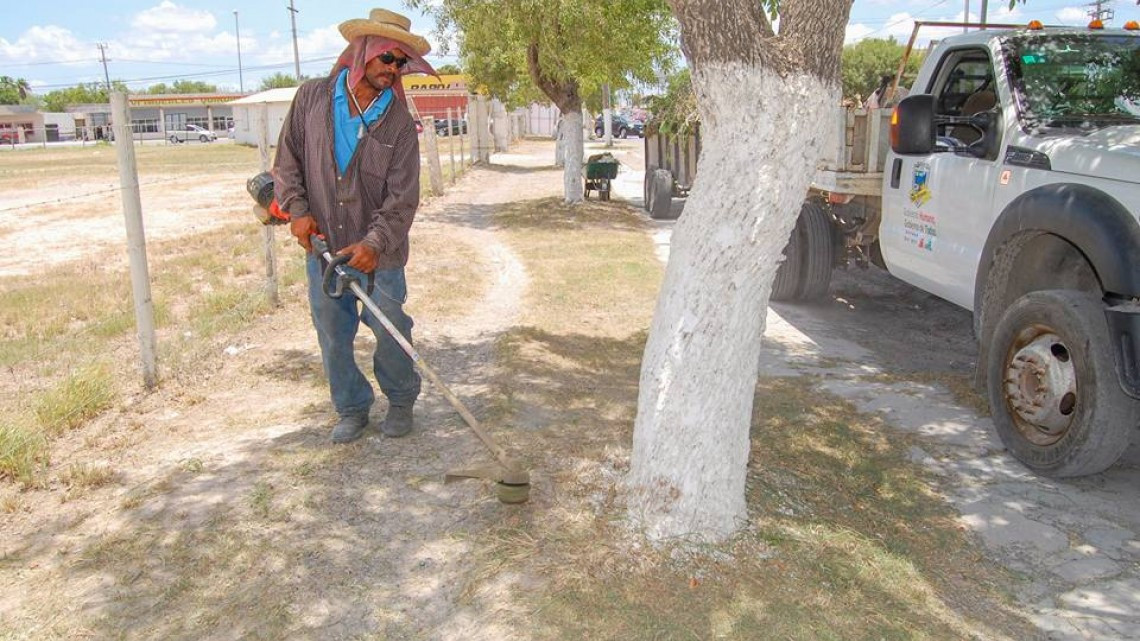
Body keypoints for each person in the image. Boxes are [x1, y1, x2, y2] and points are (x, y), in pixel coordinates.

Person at [273, 8, 437, 444]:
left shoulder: (400, 123)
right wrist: (297, 210)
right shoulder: (311, 98)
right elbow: (287, 161)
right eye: (389, 59)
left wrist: (375, 243)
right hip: (323, 245)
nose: (394, 70)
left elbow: (403, 199)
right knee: (332, 330)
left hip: (380, 252)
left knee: (390, 327)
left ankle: (401, 401)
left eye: (402, 63)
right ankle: (350, 407)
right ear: (362, 52)